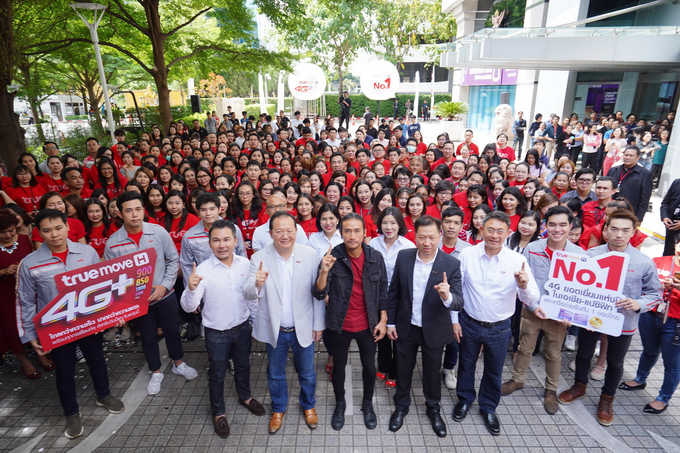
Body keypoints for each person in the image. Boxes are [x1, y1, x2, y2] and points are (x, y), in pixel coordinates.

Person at [16, 209, 125, 439]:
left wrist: (110, 314)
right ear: (39, 233)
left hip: (89, 321)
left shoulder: (87, 252)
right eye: (47, 230)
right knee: (64, 372)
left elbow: (102, 286)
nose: (54, 234)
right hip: (56, 328)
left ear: (67, 227)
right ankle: (72, 413)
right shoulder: (30, 263)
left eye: (58, 228)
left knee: (97, 360)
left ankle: (104, 395)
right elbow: (25, 300)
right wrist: (30, 334)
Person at [558, 209, 662, 426]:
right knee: (583, 354)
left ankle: (607, 399)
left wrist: (639, 303)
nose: (619, 235)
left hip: (623, 321)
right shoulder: (592, 255)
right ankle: (579, 386)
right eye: (614, 229)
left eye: (625, 230)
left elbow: (655, 294)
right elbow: (577, 287)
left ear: (633, 232)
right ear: (606, 230)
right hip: (591, 318)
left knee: (615, 362)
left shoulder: (643, 262)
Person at [453, 211, 540, 436]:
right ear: (481, 230)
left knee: (494, 371)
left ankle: (488, 407)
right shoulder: (468, 254)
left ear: (508, 233)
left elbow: (532, 298)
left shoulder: (517, 260)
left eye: (500, 231)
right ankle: (464, 399)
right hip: (469, 322)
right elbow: (457, 289)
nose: (494, 235)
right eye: (490, 230)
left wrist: (523, 285)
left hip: (500, 327)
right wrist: (454, 320)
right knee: (466, 365)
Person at [104, 192, 198, 395]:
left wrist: (164, 285)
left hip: (165, 295)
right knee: (147, 337)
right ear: (120, 213)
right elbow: (114, 279)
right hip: (138, 302)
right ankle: (155, 371)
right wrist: (121, 307)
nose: (134, 214)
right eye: (128, 210)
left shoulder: (157, 232)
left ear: (143, 210)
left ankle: (178, 364)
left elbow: (173, 260)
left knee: (172, 332)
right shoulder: (113, 243)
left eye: (138, 209)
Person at [180, 220, 265, 438]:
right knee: (217, 374)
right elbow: (189, 307)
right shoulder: (202, 270)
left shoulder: (245, 264)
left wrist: (256, 321)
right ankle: (219, 413)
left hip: (242, 328)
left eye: (227, 239)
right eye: (216, 240)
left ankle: (245, 397)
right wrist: (191, 288)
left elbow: (251, 298)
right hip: (216, 333)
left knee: (243, 366)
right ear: (209, 243)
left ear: (235, 241)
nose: (222, 245)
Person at [243, 211, 325, 434]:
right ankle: (278, 408)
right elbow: (247, 294)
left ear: (296, 231)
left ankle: (308, 405)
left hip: (303, 326)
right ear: (270, 233)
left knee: (307, 372)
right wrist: (257, 284)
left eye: (289, 230)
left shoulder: (310, 255)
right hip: (275, 328)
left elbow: (317, 293)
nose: (285, 235)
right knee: (275, 372)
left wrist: (318, 325)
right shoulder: (259, 258)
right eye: (279, 231)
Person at [386, 215, 464, 438]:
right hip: (406, 326)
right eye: (422, 237)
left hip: (434, 329)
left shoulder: (451, 263)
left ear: (440, 235)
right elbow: (394, 292)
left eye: (431, 237)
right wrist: (391, 322)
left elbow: (459, 301)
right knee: (403, 369)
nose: (426, 242)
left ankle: (433, 408)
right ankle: (401, 406)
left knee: (432, 372)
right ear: (415, 236)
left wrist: (447, 296)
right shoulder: (404, 257)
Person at [501, 206, 582, 414]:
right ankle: (517, 379)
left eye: (563, 225)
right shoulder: (533, 248)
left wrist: (571, 314)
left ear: (570, 226)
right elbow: (524, 280)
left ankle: (551, 390)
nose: (557, 229)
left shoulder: (579, 255)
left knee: (553, 353)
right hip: (532, 309)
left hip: (559, 316)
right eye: (552, 224)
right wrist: (532, 306)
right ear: (545, 226)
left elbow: (581, 291)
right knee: (524, 347)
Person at [313, 213, 388, 430]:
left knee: (369, 366)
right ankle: (340, 403)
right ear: (341, 232)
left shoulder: (375, 257)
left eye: (357, 231)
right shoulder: (332, 257)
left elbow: (383, 290)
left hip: (368, 324)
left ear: (364, 233)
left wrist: (383, 320)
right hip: (340, 324)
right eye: (347, 231)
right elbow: (319, 293)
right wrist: (324, 272)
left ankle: (367, 403)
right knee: (339, 366)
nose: (352, 236)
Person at [369, 207, 416, 388]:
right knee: (380, 334)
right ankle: (383, 366)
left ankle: (395, 372)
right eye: (385, 223)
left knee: (397, 336)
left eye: (393, 223)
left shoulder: (408, 246)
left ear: (400, 225)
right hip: (378, 296)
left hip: (400, 297)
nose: (389, 227)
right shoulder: (374, 243)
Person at [439, 207, 470, 390]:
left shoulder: (468, 251)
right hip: (434, 301)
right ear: (441, 223)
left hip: (457, 302)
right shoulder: (432, 244)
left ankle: (449, 368)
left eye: (456, 223)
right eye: (448, 222)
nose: (451, 226)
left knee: (454, 339)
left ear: (462, 226)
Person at [607, 146, 653, 222]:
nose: (627, 157)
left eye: (631, 156)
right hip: (610, 210)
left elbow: (644, 199)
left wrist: (639, 218)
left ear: (638, 157)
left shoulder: (645, 174)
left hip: (630, 212)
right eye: (626, 155)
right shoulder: (613, 170)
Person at [661, 178, 680, 257]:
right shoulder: (677, 183)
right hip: (671, 225)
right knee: (668, 254)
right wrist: (665, 217)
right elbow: (665, 202)